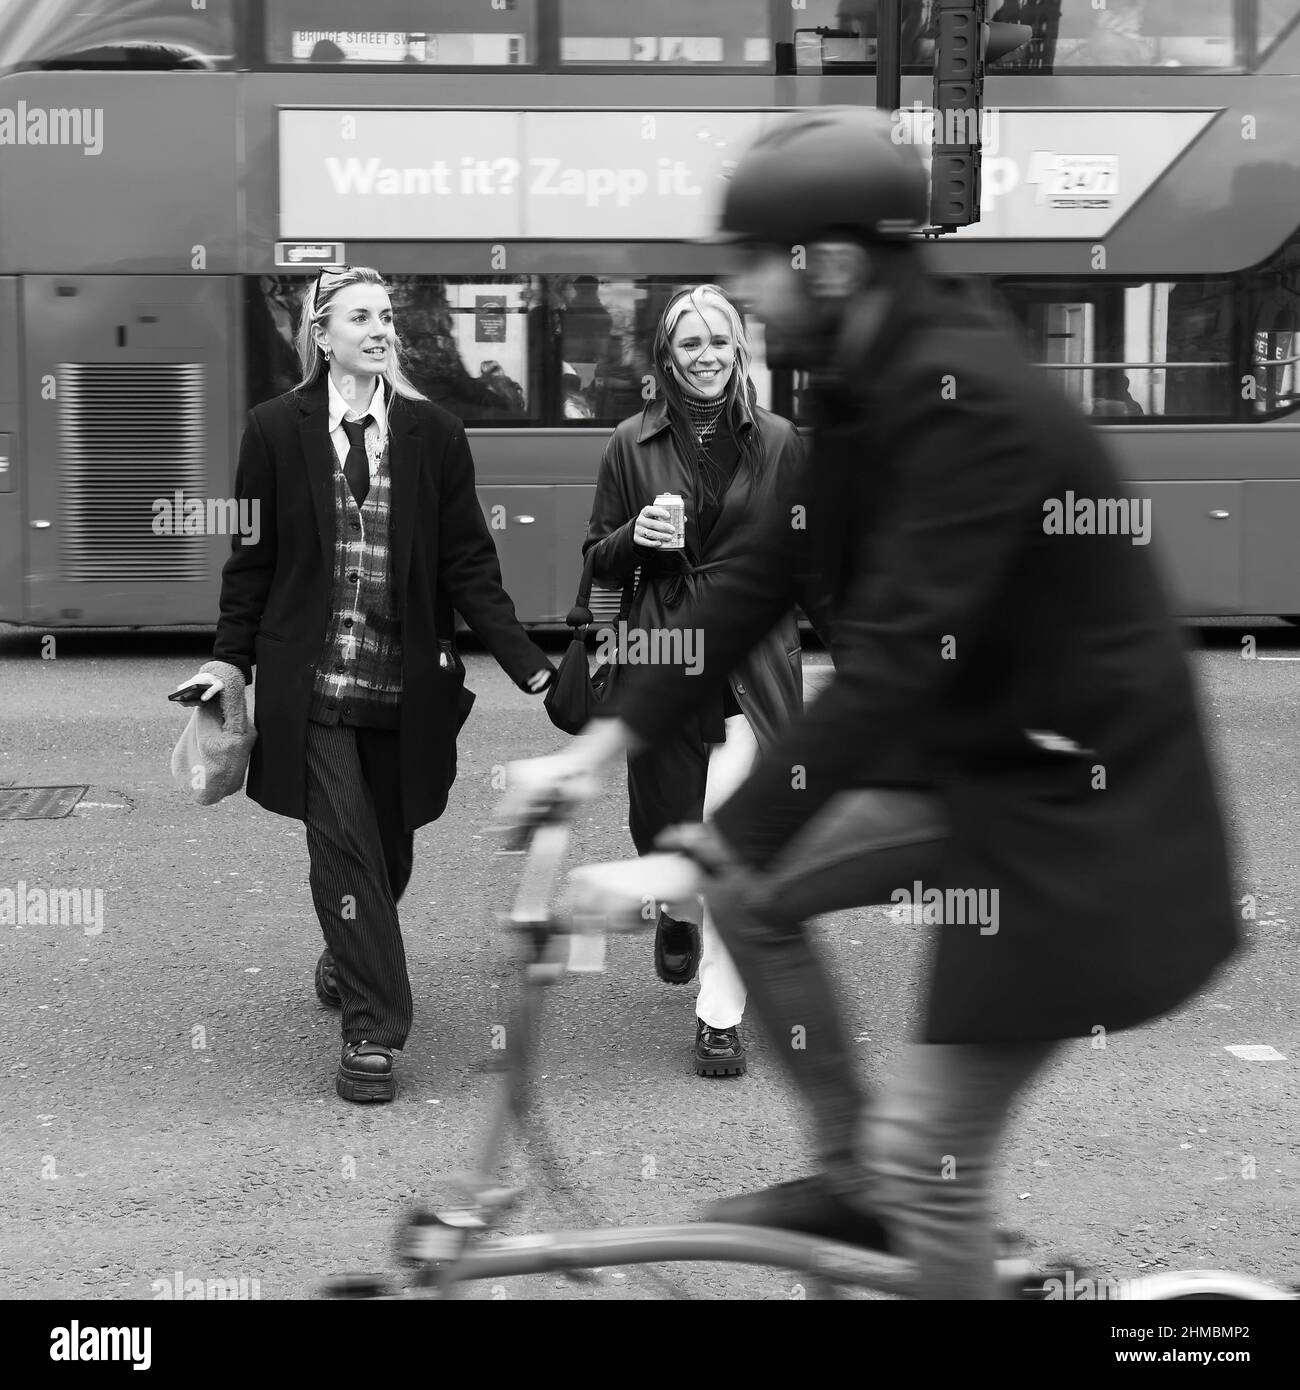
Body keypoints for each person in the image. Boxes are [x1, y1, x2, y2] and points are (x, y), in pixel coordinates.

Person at [498, 109, 1239, 1297]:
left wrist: (682, 860)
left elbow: (896, 665)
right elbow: (763, 575)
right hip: (987, 780)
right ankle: (851, 1173)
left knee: (928, 1170)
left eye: (754, 262)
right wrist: (609, 739)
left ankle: (895, 1195)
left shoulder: (968, 401)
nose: (738, 289)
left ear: (828, 262)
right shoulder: (860, 374)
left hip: (1083, 831)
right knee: (748, 883)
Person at [173, 265, 554, 1104]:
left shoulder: (434, 434)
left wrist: (530, 665)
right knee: (342, 841)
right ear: (323, 334)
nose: (381, 329)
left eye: (387, 316)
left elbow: (467, 566)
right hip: (313, 691)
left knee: (388, 850)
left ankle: (348, 948)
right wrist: (228, 660)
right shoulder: (276, 430)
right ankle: (375, 1032)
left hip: (407, 688)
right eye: (361, 317)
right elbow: (253, 562)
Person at [583, 284, 817, 1077]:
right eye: (691, 343)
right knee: (664, 830)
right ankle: (674, 911)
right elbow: (595, 564)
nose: (708, 355)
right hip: (663, 667)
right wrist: (634, 537)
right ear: (666, 358)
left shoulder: (784, 442)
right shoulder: (629, 443)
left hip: (752, 672)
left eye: (721, 340)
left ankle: (719, 1016)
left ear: (739, 349)